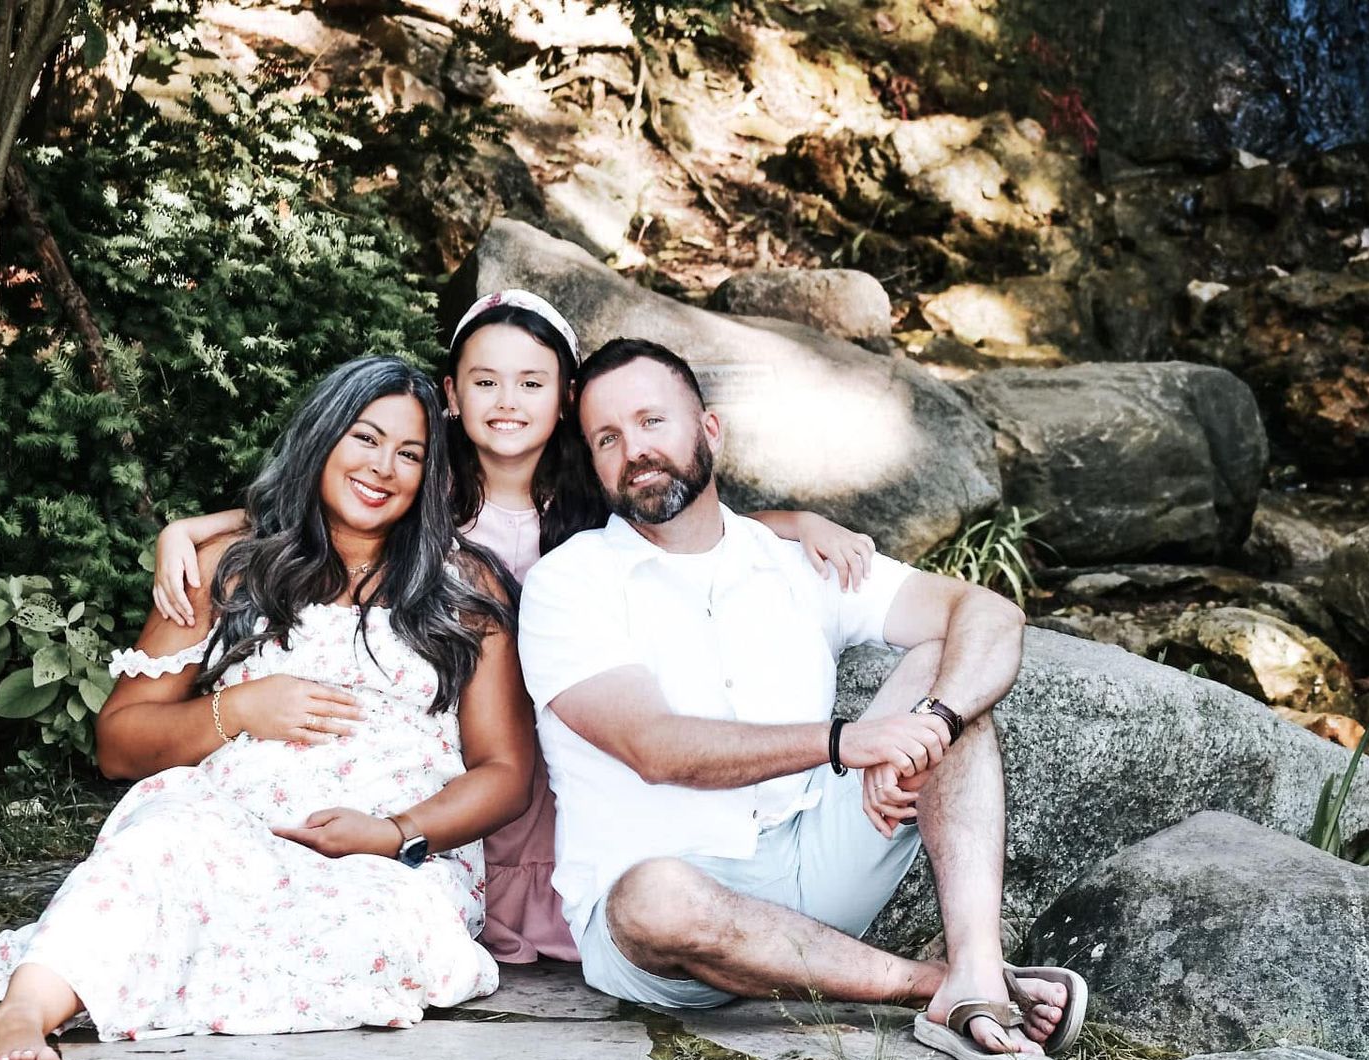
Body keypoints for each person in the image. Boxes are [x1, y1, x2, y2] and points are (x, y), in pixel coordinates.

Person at [148, 291, 879, 965]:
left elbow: (695, 518)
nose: (506, 401)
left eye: (532, 383)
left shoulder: (598, 496)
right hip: (457, 748)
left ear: (564, 400)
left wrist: (797, 523)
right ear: (450, 395)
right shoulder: (424, 488)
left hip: (570, 749)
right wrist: (199, 527)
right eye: (485, 380)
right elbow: (322, 505)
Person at [516, 338, 1087, 1060]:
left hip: (814, 866)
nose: (635, 451)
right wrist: (850, 741)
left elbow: (987, 613)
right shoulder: (571, 583)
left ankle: (977, 964)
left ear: (709, 431)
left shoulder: (798, 563)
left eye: (652, 422)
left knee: (947, 674)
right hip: (663, 921)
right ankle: (935, 986)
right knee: (655, 897)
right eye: (608, 438)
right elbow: (655, 746)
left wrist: (927, 729)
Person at [0, 355, 535, 1060]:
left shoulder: (464, 588)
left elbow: (506, 773)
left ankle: (167, 970)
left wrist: (393, 832)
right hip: (225, 823)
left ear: (430, 477)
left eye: (410, 454)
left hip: (383, 855)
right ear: (322, 438)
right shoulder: (229, 571)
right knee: (157, 854)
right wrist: (238, 708)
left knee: (383, 929)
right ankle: (24, 1014)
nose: (383, 467)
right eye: (364, 438)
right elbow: (118, 743)